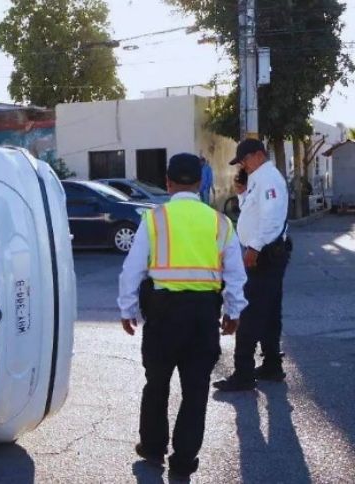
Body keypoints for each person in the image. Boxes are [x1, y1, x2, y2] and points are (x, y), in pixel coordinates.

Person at [118, 153, 248, 481]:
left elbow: (132, 269)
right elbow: (235, 273)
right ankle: (184, 459)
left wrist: (127, 309)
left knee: (156, 383)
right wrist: (233, 312)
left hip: (163, 314)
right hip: (203, 315)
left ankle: (152, 447)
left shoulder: (155, 219)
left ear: (168, 182)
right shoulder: (220, 222)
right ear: (201, 182)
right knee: (196, 389)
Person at [213, 139, 290, 392]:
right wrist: (242, 193)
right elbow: (253, 211)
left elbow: (272, 218)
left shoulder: (268, 178)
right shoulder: (259, 177)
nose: (243, 166)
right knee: (268, 312)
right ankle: (271, 365)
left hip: (263, 254)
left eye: (244, 160)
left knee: (250, 313)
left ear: (258, 154)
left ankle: (244, 373)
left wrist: (254, 247)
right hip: (265, 252)